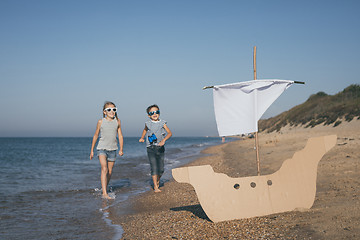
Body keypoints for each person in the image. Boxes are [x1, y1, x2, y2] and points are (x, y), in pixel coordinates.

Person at [90, 101, 124, 199]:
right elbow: (96, 135)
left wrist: (121, 149)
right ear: (104, 112)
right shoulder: (101, 122)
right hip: (102, 148)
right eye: (109, 109)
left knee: (109, 171)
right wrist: (92, 150)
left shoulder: (117, 121)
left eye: (114, 109)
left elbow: (120, 136)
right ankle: (104, 193)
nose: (112, 111)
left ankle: (104, 187)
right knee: (104, 168)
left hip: (113, 149)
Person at [139, 104, 172, 192]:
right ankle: (155, 187)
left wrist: (164, 140)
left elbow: (169, 133)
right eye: (152, 112)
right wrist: (142, 137)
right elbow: (145, 130)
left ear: (159, 113)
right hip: (150, 148)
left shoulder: (162, 123)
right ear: (149, 115)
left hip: (160, 148)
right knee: (154, 167)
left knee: (161, 169)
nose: (155, 114)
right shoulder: (148, 123)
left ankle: (157, 180)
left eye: (157, 112)